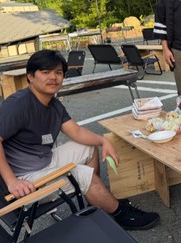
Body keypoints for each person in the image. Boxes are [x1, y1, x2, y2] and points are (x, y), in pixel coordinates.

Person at [0, 50, 159, 231]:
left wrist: (103, 141)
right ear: (30, 76)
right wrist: (12, 181)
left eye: (58, 72)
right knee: (81, 174)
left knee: (88, 147)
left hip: (43, 162)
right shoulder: (17, 104)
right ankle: (120, 214)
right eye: (45, 72)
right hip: (24, 180)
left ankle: (96, 198)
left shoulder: (54, 104)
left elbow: (75, 131)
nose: (53, 77)